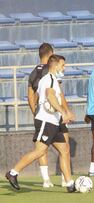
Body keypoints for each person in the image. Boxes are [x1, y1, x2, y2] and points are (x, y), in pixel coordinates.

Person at [6, 55, 76, 192]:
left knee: (65, 149)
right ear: (55, 66)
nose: (64, 68)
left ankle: (69, 184)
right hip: (46, 120)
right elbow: (49, 96)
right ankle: (13, 173)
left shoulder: (52, 80)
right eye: (63, 65)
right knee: (40, 151)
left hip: (54, 122)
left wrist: (61, 114)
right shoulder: (49, 79)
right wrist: (64, 112)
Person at [27, 43, 72, 188]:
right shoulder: (51, 72)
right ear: (50, 54)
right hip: (55, 116)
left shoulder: (33, 73)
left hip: (40, 115)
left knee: (42, 149)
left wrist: (36, 113)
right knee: (64, 148)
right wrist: (65, 111)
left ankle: (46, 180)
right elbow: (59, 94)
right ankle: (66, 179)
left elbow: (30, 97)